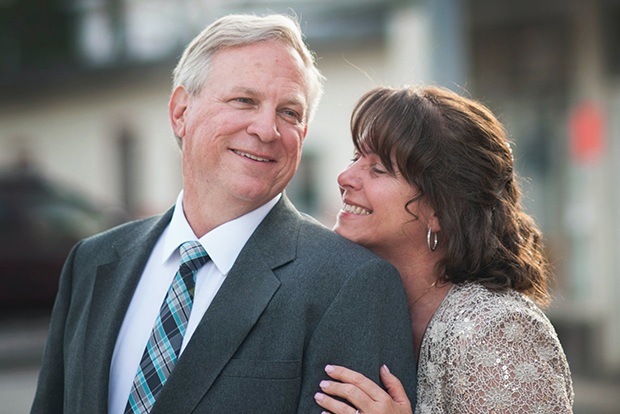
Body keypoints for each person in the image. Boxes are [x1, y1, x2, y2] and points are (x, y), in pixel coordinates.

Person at [30, 14, 418, 414]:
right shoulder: (92, 262)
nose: (267, 129)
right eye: (244, 101)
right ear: (181, 111)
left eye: (289, 113)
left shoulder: (350, 284)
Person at [314, 86, 574, 413]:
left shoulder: (499, 332)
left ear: (440, 210)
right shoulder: (364, 306)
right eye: (355, 158)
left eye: (378, 169)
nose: (345, 177)